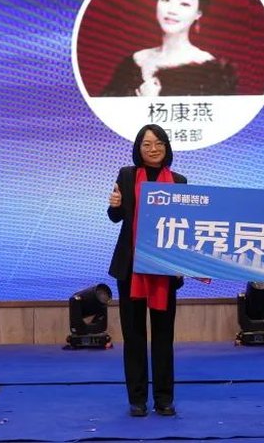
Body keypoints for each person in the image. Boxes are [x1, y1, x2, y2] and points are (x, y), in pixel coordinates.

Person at [107, 124, 186, 417]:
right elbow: (116, 217)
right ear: (138, 149)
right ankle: (137, 399)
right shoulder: (127, 176)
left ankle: (164, 399)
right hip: (131, 268)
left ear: (167, 147)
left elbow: (185, 227)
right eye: (147, 144)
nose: (153, 149)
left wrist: (182, 264)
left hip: (165, 270)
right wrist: (114, 205)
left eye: (159, 143)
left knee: (164, 336)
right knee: (134, 336)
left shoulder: (179, 181)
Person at [101, 0, 237, 96]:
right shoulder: (132, 63)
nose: (172, 10)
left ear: (198, 13)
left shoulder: (213, 71)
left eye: (184, 4)